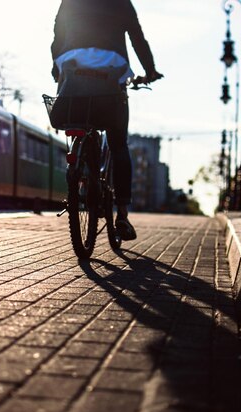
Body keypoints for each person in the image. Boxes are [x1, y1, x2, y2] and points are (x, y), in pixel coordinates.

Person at [51, 0, 163, 241]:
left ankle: (79, 168)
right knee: (119, 145)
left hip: (72, 67)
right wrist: (150, 71)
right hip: (111, 73)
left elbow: (58, 31)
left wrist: (55, 65)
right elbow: (137, 39)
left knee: (78, 120)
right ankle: (122, 215)